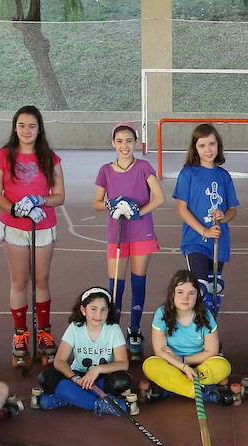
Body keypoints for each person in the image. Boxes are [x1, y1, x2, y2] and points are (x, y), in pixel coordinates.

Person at [0, 105, 65, 364]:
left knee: (41, 280)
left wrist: (39, 200)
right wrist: (16, 209)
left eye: (32, 126)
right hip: (15, 226)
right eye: (21, 125)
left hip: (43, 225)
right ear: (14, 127)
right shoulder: (3, 156)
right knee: (19, 281)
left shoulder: (49, 158)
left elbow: (59, 196)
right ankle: (20, 333)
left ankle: (44, 331)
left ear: (39, 128)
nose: (26, 130)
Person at [92, 122, 164, 360]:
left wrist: (137, 211)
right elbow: (96, 203)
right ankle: (113, 330)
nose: (125, 145)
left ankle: (134, 330)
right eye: (120, 141)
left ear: (136, 143)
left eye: (129, 141)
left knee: (138, 280)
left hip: (141, 231)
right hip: (117, 233)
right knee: (116, 284)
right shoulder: (105, 170)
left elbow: (160, 198)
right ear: (113, 143)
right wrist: (112, 205)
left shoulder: (143, 167)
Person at [34, 286, 135, 416]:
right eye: (93, 309)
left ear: (109, 311)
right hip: (78, 376)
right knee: (46, 377)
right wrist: (75, 378)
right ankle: (98, 404)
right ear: (83, 310)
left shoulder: (113, 329)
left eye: (103, 309)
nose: (98, 315)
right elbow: (59, 361)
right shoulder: (75, 328)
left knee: (122, 380)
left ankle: (70, 398)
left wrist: (97, 369)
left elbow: (123, 363)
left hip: (102, 377)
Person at [173, 123, 239, 317]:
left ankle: (210, 332)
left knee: (213, 289)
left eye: (211, 144)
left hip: (219, 241)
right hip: (196, 241)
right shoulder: (188, 173)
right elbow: (181, 209)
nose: (208, 149)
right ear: (195, 148)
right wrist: (204, 231)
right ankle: (195, 334)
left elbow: (233, 209)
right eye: (202, 145)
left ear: (218, 145)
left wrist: (223, 216)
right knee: (199, 289)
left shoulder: (224, 176)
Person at [142, 270, 235, 404]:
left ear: (197, 296)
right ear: (172, 293)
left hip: (199, 364)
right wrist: (183, 367)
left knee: (223, 365)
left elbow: (211, 351)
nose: (185, 298)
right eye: (180, 292)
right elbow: (160, 350)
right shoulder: (161, 314)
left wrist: (184, 360)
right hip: (171, 362)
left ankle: (171, 388)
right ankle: (201, 392)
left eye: (191, 293)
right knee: (150, 364)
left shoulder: (206, 316)